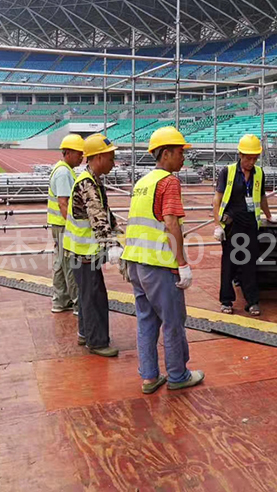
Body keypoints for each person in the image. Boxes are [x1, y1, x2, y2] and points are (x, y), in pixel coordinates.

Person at [121, 126, 205, 394]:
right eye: (180, 152)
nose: (184, 158)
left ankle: (149, 377)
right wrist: (181, 263)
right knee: (172, 321)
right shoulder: (169, 182)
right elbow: (170, 224)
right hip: (159, 264)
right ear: (166, 153)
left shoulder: (142, 183)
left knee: (146, 320)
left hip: (135, 262)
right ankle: (178, 375)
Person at [63, 134, 122, 357]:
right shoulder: (87, 183)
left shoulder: (92, 179)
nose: (113, 163)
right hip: (83, 252)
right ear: (97, 158)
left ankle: (85, 333)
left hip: (80, 251)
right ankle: (96, 342)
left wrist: (116, 227)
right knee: (94, 296)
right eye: (110, 158)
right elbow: (97, 216)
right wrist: (112, 244)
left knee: (87, 293)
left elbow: (104, 211)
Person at [212, 134, 277, 316]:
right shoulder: (227, 172)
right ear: (240, 155)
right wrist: (218, 225)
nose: (251, 162)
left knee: (249, 263)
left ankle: (252, 301)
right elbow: (217, 199)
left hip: (251, 224)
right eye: (248, 158)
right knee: (229, 262)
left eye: (254, 158)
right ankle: (226, 301)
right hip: (231, 224)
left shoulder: (259, 173)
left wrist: (269, 216)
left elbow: (262, 197)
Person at [47, 134, 84, 313]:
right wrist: (72, 227)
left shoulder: (63, 169)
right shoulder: (63, 172)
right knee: (70, 264)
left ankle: (60, 300)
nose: (81, 157)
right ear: (67, 152)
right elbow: (64, 203)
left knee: (61, 263)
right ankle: (77, 303)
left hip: (58, 224)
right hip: (63, 225)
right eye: (78, 153)